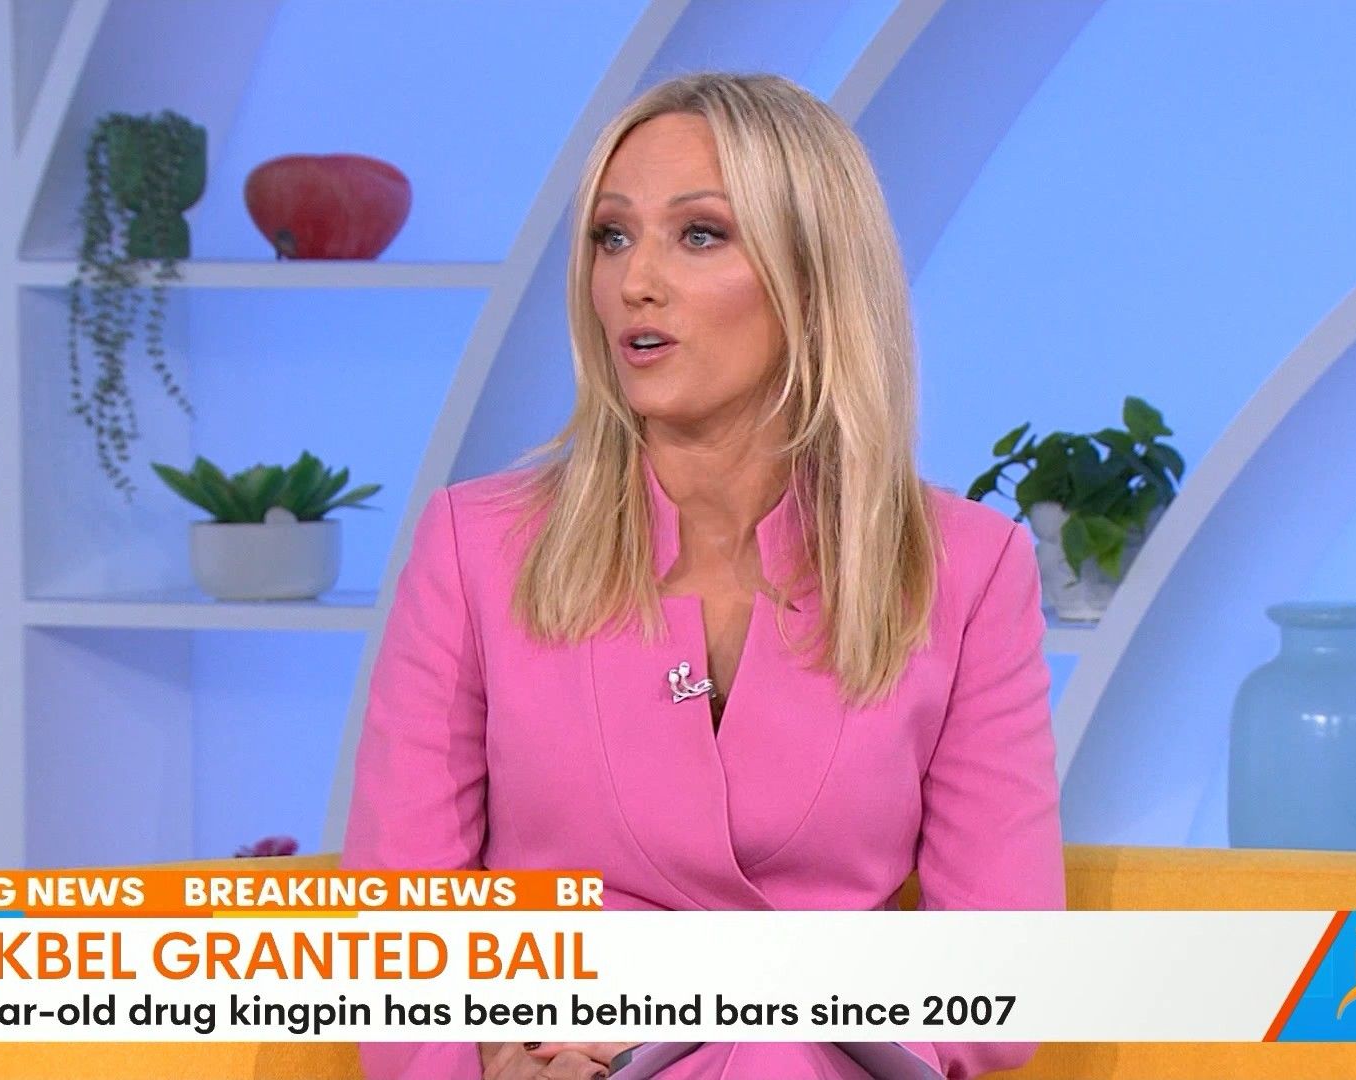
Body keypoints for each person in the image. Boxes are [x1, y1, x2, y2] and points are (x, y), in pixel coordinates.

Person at [341, 72, 1063, 1080]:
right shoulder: (476, 546)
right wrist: (498, 1055)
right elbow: (401, 935)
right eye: (612, 236)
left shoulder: (967, 571)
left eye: (699, 234)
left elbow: (1001, 981)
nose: (635, 281)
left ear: (813, 276)